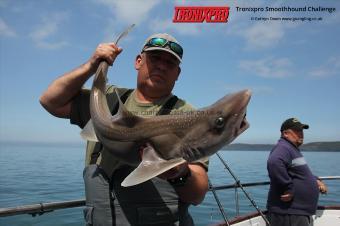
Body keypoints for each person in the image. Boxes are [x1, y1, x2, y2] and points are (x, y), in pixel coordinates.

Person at [40, 33, 209, 225]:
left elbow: (198, 194)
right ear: (138, 61)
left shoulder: (188, 116)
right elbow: (50, 101)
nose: (161, 66)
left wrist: (179, 173)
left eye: (170, 63)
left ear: (177, 74)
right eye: (155, 58)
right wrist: (92, 65)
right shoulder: (107, 99)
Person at [266, 117, 328, 226]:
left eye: (302, 131)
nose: (301, 134)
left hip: (295, 213)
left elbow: (299, 173)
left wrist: (315, 180)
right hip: (288, 214)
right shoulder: (283, 147)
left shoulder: (291, 149)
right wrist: (287, 188)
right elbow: (274, 162)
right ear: (285, 133)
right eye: (297, 131)